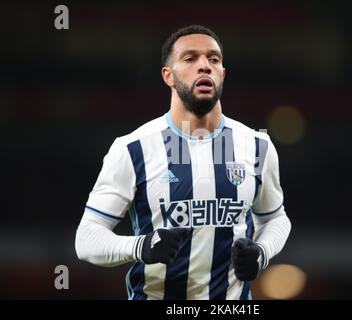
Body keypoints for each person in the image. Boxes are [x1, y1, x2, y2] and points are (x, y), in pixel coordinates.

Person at [75, 25, 291, 300]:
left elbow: (275, 217)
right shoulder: (132, 148)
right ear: (168, 75)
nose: (204, 66)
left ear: (223, 74)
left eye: (213, 59)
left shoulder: (258, 145)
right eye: (190, 58)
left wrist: (262, 252)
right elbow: (86, 239)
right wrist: (141, 247)